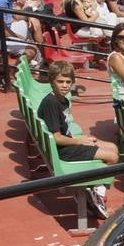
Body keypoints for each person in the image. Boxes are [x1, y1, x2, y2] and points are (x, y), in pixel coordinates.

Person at [36, 60, 117, 218]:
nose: (65, 85)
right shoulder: (51, 104)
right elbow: (57, 138)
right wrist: (79, 141)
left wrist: (81, 139)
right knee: (112, 157)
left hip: (68, 144)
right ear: (52, 81)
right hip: (63, 151)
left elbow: (63, 131)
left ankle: (93, 190)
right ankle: (96, 196)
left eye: (68, 82)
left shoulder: (63, 100)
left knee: (113, 147)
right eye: (60, 81)